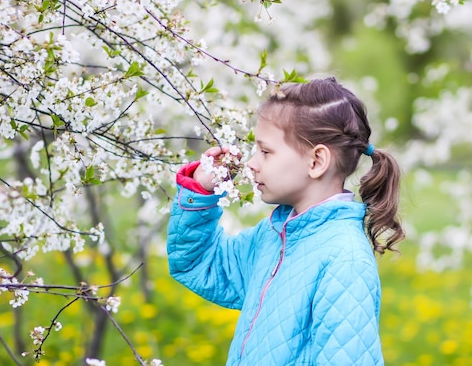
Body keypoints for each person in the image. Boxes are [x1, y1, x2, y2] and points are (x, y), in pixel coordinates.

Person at [167, 77, 405, 365]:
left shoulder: (345, 260)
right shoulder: (275, 235)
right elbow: (198, 263)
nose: (252, 163)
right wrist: (202, 190)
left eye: (265, 151)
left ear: (316, 162)